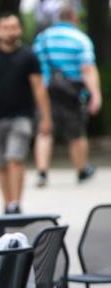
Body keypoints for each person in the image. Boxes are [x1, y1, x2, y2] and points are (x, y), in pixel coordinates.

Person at [0, 12, 52, 214]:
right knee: (1, 164)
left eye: (14, 27)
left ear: (20, 29)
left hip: (21, 117)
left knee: (15, 158)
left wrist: (46, 117)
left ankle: (15, 203)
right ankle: (8, 204)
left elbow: (39, 88)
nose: (11, 32)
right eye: (6, 28)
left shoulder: (29, 56)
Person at [33, 4, 101, 187]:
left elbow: (34, 68)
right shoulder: (80, 39)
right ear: (74, 18)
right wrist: (95, 94)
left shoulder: (42, 38)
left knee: (44, 130)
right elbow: (87, 69)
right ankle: (81, 170)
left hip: (45, 91)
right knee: (76, 133)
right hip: (72, 92)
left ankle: (42, 172)